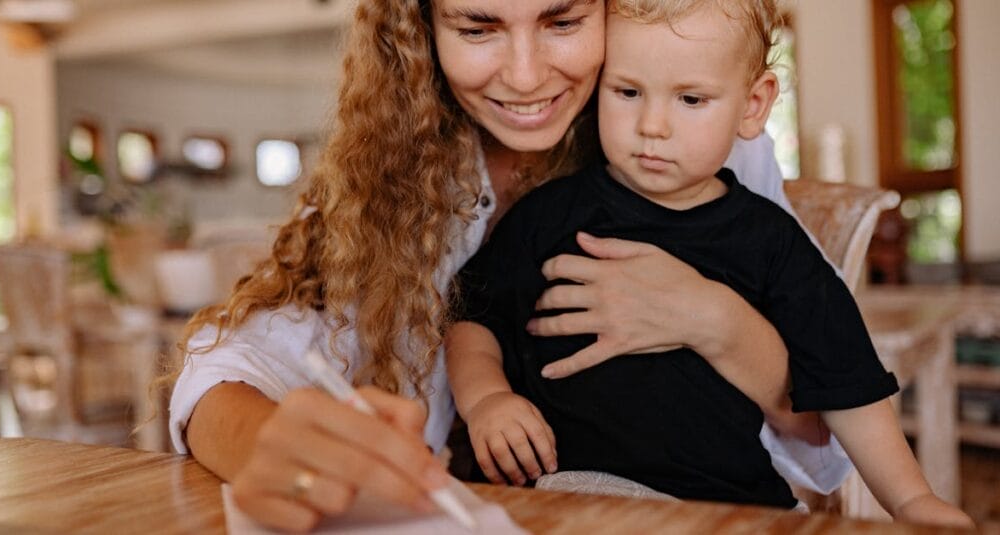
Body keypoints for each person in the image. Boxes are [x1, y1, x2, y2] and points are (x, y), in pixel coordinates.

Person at [166, 0, 848, 531]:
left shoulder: (701, 135)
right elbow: (220, 369)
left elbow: (822, 437)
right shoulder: (389, 170)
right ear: (422, 28)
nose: (525, 76)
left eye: (563, 19)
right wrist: (269, 446)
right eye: (477, 27)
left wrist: (717, 321)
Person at [445, 0, 973, 526]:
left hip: (748, 499)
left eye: (691, 99)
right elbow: (473, 317)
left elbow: (849, 383)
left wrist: (910, 500)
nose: (652, 125)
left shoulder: (772, 241)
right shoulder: (549, 214)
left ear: (753, 105)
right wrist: (486, 397)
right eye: (627, 92)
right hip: (591, 488)